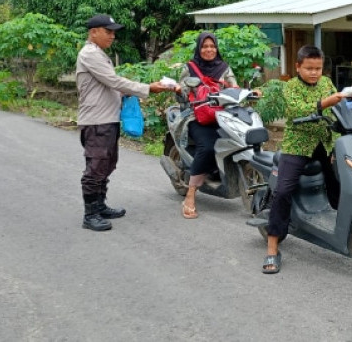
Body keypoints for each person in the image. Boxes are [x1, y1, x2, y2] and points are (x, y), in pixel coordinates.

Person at [77, 14, 178, 232]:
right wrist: (148, 88)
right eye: (108, 31)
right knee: (95, 167)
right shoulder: (90, 54)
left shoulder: (99, 54)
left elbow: (108, 86)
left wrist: (125, 95)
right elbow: (113, 81)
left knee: (107, 164)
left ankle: (100, 205)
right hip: (96, 121)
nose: (112, 36)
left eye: (113, 32)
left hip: (107, 119)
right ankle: (90, 214)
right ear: (94, 31)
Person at [262, 45, 345, 274]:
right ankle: (272, 247)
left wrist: (351, 102)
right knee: (283, 191)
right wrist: (325, 103)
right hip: (297, 145)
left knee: (338, 182)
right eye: (309, 68)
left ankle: (341, 228)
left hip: (324, 142)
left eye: (318, 68)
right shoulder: (291, 87)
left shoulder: (327, 83)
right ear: (298, 67)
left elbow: (339, 106)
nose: (314, 73)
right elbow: (297, 110)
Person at [178, 31, 238, 219]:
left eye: (212, 46)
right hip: (197, 117)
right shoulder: (190, 68)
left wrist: (241, 91)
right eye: (205, 46)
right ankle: (190, 193)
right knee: (208, 146)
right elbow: (181, 94)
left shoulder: (224, 68)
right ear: (199, 48)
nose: (209, 50)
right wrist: (181, 90)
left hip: (222, 115)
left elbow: (234, 88)